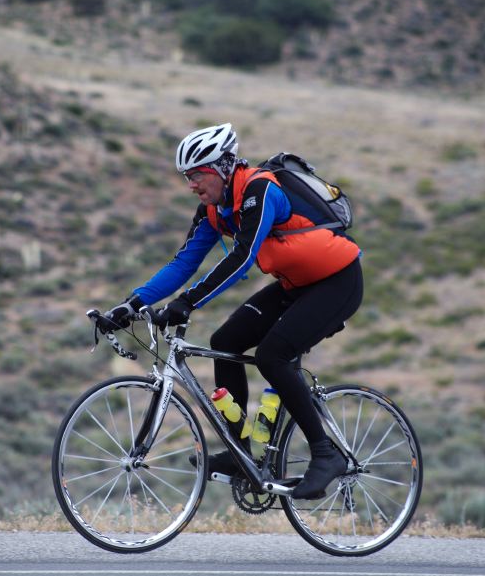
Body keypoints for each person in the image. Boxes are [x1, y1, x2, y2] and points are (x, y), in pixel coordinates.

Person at [100, 123, 363, 499]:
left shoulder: (261, 190)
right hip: (296, 285)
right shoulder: (213, 211)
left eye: (196, 175)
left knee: (273, 356)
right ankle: (241, 453)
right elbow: (183, 263)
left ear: (222, 168)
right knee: (225, 341)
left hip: (337, 282)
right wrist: (132, 303)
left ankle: (325, 454)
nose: (191, 183)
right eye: (186, 177)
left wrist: (188, 302)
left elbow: (242, 260)